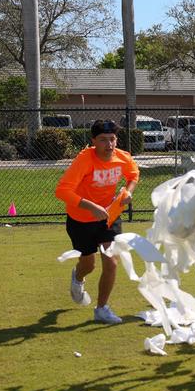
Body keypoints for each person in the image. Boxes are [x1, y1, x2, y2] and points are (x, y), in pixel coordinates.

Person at [55, 118, 139, 324]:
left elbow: (133, 174)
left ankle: (101, 309)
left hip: (109, 217)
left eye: (112, 139)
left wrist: (128, 192)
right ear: (93, 141)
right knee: (88, 265)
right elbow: (62, 191)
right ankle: (78, 277)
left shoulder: (122, 157)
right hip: (81, 219)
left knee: (111, 261)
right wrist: (91, 207)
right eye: (103, 140)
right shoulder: (84, 160)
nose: (109, 144)